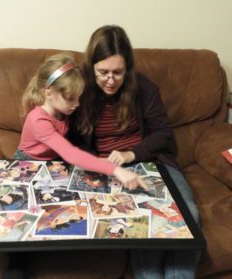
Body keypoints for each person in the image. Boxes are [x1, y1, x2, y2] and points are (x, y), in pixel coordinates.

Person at [70, 25, 201, 279]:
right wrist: (99, 163)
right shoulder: (80, 89)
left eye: (118, 72)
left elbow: (163, 134)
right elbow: (69, 141)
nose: (111, 80)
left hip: (152, 161)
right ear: (91, 67)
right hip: (106, 171)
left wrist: (131, 154)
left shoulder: (144, 88)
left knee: (188, 214)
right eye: (103, 72)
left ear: (127, 68)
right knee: (140, 217)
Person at [13, 52, 146, 189]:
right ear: (49, 94)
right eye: (71, 98)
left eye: (78, 98)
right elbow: (70, 153)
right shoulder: (38, 120)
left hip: (53, 164)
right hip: (28, 164)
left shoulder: (63, 110)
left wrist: (102, 163)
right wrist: (115, 170)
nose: (77, 104)